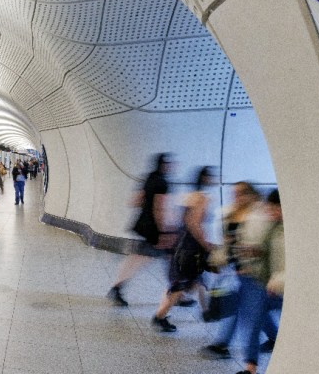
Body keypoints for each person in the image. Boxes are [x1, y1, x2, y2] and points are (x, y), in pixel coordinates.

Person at [203, 182, 268, 360]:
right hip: (235, 269)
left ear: (249, 195)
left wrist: (249, 259)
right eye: (234, 193)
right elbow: (228, 241)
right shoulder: (231, 213)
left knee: (252, 311)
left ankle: (224, 344)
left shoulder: (259, 215)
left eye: (239, 194)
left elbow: (263, 245)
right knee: (241, 307)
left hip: (252, 271)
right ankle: (222, 344)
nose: (236, 197)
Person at [151, 166, 216, 332]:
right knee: (180, 285)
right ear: (205, 179)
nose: (214, 179)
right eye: (211, 177)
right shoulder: (202, 198)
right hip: (190, 247)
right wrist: (205, 244)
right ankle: (159, 316)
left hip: (181, 244)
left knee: (193, 281)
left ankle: (206, 311)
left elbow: (178, 219)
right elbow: (193, 223)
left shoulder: (188, 196)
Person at [107, 153, 176, 306]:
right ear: (163, 165)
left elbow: (134, 201)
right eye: (170, 164)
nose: (172, 167)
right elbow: (160, 208)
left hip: (143, 225)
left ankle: (117, 287)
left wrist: (146, 210)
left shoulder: (149, 178)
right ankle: (177, 291)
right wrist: (164, 232)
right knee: (144, 259)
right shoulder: (163, 183)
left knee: (139, 258)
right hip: (154, 229)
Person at [233, 188, 284, 374]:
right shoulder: (272, 225)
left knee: (258, 319)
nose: (271, 212)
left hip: (279, 286)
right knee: (255, 321)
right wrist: (252, 253)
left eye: (274, 209)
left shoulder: (290, 232)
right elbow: (266, 251)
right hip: (264, 282)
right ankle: (251, 367)